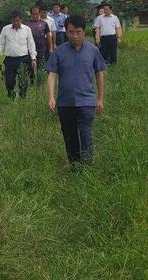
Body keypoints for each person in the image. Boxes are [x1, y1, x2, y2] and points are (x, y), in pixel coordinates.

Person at [46, 14, 107, 166]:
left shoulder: (93, 51)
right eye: (71, 32)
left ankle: (87, 166)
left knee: (85, 135)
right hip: (65, 103)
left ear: (84, 31)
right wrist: (51, 97)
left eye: (78, 32)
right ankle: (75, 166)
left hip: (86, 101)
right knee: (70, 136)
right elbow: (52, 74)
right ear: (66, 32)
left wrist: (100, 99)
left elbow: (100, 75)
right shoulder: (59, 52)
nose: (74, 36)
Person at [0, 10, 36, 99]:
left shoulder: (27, 29)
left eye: (17, 20)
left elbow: (31, 44)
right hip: (10, 60)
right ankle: (12, 96)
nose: (16, 22)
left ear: (21, 20)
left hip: (23, 59)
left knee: (23, 82)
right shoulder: (5, 29)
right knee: (9, 82)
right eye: (14, 21)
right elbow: (0, 44)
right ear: (11, 21)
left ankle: (22, 98)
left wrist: (33, 58)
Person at [25, 5, 52, 90]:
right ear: (31, 14)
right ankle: (32, 82)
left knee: (41, 67)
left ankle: (39, 84)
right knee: (30, 67)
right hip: (30, 51)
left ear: (39, 13)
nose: (35, 16)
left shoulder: (44, 24)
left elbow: (49, 36)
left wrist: (51, 48)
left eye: (37, 14)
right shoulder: (27, 24)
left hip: (42, 49)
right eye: (33, 14)